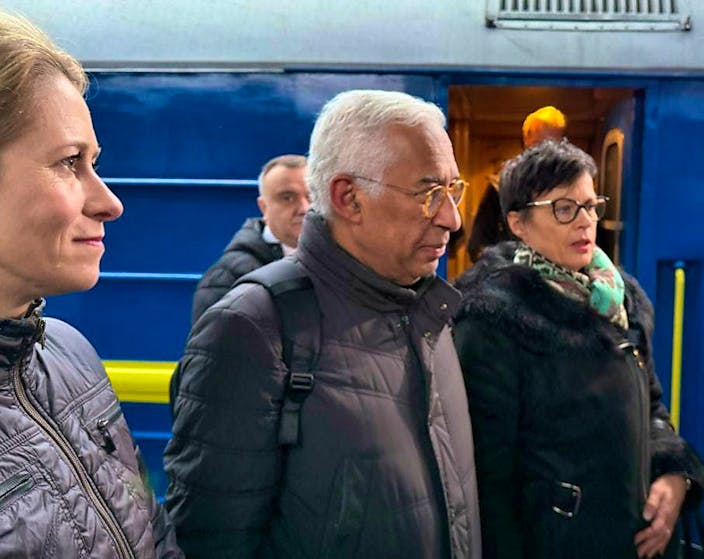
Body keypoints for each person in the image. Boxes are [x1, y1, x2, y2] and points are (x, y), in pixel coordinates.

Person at [165, 89, 481, 558]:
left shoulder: (429, 315)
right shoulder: (252, 328)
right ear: (349, 197)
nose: (451, 219)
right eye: (428, 192)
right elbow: (211, 541)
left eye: (453, 190)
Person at [453, 139, 704, 559]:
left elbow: (652, 408)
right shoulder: (491, 320)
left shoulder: (621, 301)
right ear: (518, 223)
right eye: (564, 208)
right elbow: (486, 483)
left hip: (635, 539)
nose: (585, 222)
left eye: (590, 205)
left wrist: (674, 473)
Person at [0, 11, 182, 557]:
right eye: (69, 162)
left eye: (93, 162)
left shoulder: (70, 354)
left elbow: (154, 537)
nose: (110, 202)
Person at [190, 154, 309, 323]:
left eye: (311, 197)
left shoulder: (339, 263)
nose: (304, 208)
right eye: (287, 198)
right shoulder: (226, 278)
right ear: (264, 207)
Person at [466, 106, 567, 262]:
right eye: (539, 145)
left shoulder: (572, 186)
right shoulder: (502, 185)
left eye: (553, 145)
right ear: (526, 140)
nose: (545, 153)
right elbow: (478, 244)